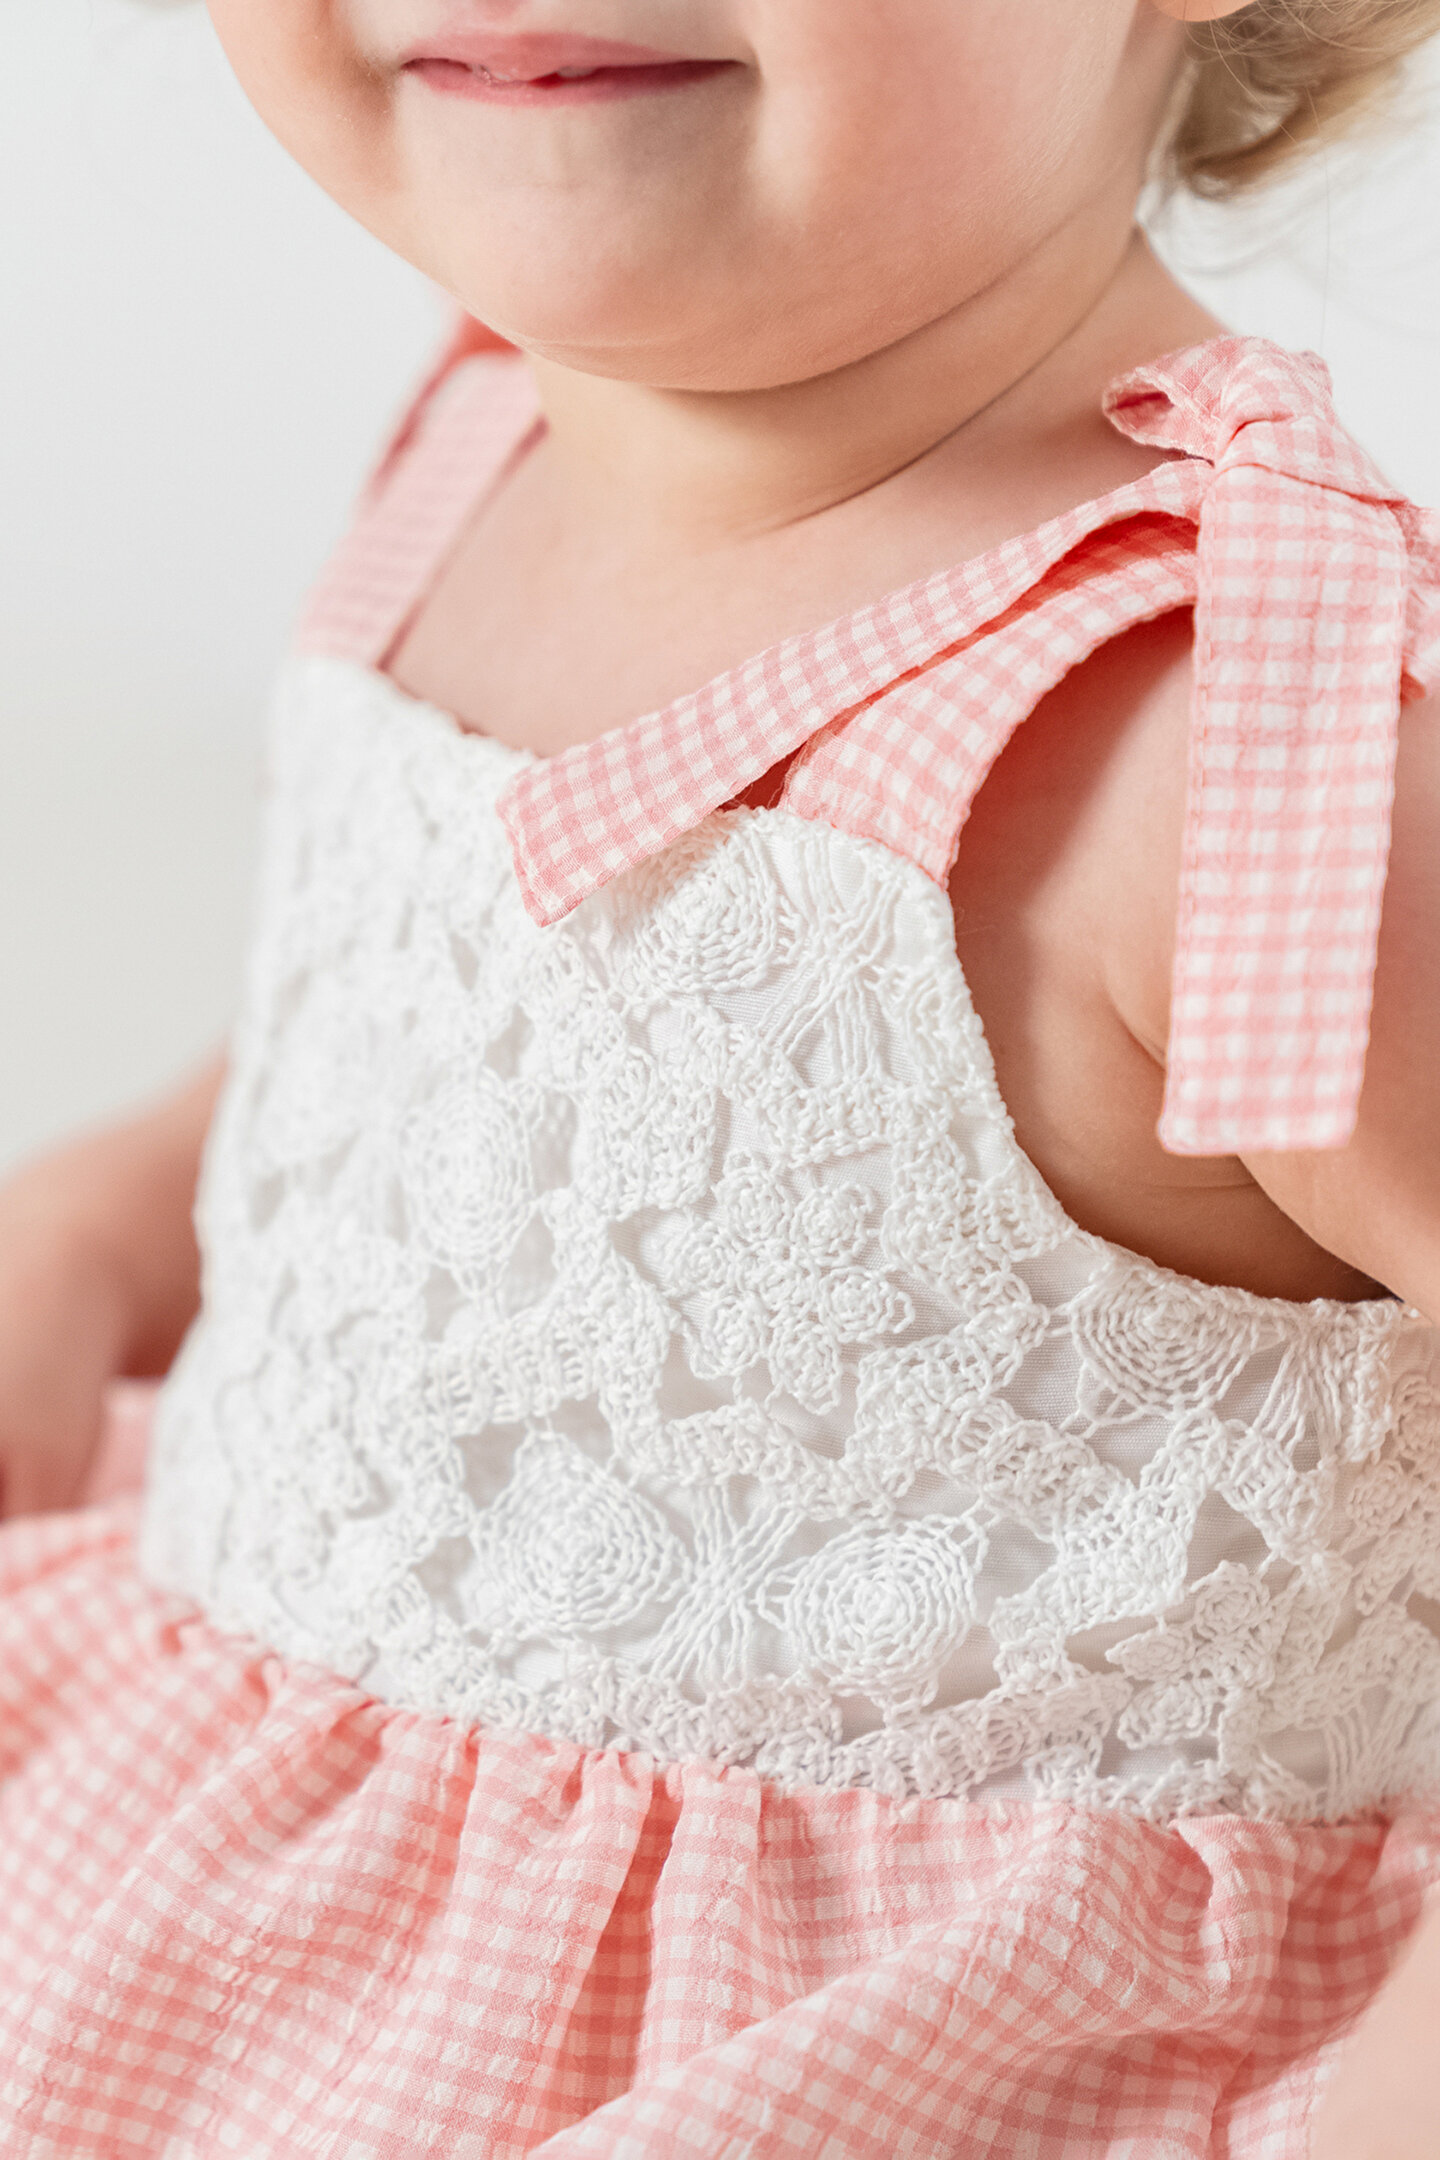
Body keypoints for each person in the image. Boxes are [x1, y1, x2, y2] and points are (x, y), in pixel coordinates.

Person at [2, 1, 1439, 2151]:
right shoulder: (482, 429)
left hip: (854, 2062)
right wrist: (103, 1225)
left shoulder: (1251, 763)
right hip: (233, 1902)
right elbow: (536, 1065)